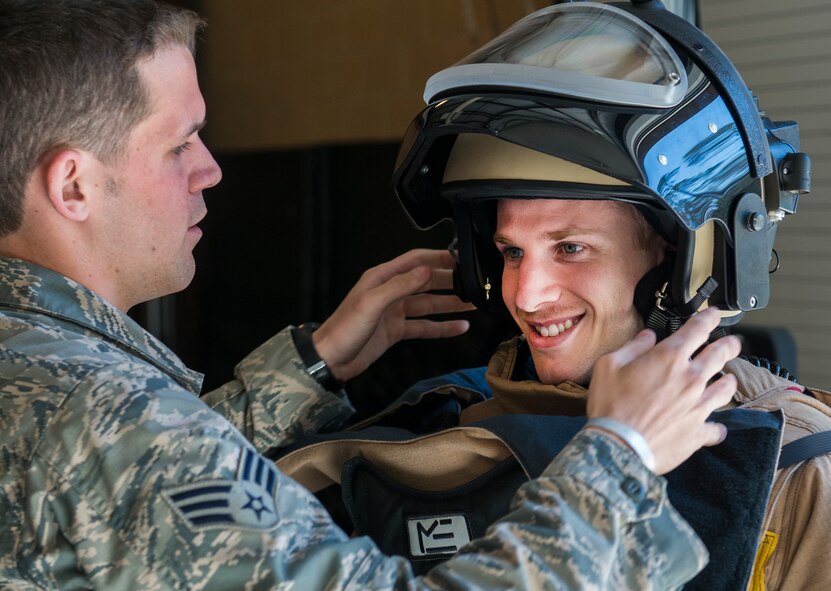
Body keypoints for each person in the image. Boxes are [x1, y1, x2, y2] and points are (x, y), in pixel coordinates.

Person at [0, 1, 742, 589]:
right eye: (179, 143)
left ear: (668, 254)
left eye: (571, 247)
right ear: (74, 184)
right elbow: (127, 453)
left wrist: (314, 364)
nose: (211, 169)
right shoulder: (99, 409)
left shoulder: (36, 368)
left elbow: (114, 491)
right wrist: (620, 456)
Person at [273, 2, 831, 590]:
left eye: (570, 248)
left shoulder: (790, 469)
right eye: (511, 252)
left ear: (678, 256)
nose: (528, 296)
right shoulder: (435, 423)